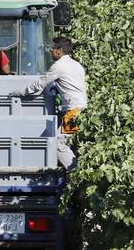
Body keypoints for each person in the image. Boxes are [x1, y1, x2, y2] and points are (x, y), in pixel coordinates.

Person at [16, 37, 87, 169]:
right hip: (82, 108)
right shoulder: (76, 65)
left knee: (58, 143)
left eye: (53, 48)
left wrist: (22, 92)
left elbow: (41, 82)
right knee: (71, 143)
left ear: (60, 51)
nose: (50, 51)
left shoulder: (59, 66)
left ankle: (75, 172)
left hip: (73, 111)